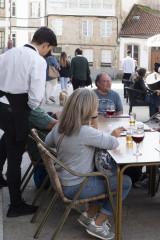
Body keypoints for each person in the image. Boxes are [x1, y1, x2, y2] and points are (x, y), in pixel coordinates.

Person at [0, 27, 57, 217]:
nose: (47, 53)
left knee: (11, 140)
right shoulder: (37, 60)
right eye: (48, 50)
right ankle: (16, 205)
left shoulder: (7, 54)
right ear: (45, 44)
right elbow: (35, 98)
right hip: (15, 112)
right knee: (15, 158)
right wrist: (28, 103)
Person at [45, 89, 132, 240]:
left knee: (106, 179)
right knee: (124, 182)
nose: (96, 109)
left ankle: (88, 215)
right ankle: (98, 224)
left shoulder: (60, 126)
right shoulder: (85, 132)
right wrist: (94, 118)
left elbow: (48, 143)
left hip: (63, 180)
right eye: (94, 107)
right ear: (88, 109)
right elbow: (113, 142)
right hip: (76, 187)